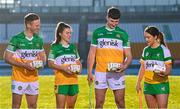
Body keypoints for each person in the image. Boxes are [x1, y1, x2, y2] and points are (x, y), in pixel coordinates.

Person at [87, 7, 132, 108]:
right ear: (107, 17)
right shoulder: (97, 32)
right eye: (112, 21)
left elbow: (129, 56)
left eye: (117, 21)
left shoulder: (123, 34)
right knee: (99, 103)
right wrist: (89, 72)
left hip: (117, 73)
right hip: (100, 72)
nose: (114, 24)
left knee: (120, 102)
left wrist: (124, 66)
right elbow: (92, 54)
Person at [3, 13, 46, 108]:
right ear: (28, 25)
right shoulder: (16, 39)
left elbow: (43, 57)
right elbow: (6, 57)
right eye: (36, 25)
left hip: (33, 78)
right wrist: (25, 65)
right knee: (16, 105)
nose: (38, 27)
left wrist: (41, 64)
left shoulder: (39, 40)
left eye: (39, 25)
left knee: (33, 105)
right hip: (19, 78)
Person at [136, 26, 173, 108]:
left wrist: (164, 73)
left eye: (148, 37)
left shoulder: (164, 50)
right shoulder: (145, 50)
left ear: (155, 37)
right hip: (148, 85)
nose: (146, 40)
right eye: (145, 37)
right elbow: (142, 67)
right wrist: (138, 82)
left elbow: (169, 68)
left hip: (161, 85)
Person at [48, 22, 82, 108]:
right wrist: (63, 68)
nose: (69, 35)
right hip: (61, 82)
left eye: (70, 33)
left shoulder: (73, 47)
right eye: (67, 33)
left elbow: (78, 62)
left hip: (74, 81)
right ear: (60, 34)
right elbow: (50, 63)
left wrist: (79, 69)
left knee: (71, 107)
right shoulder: (54, 47)